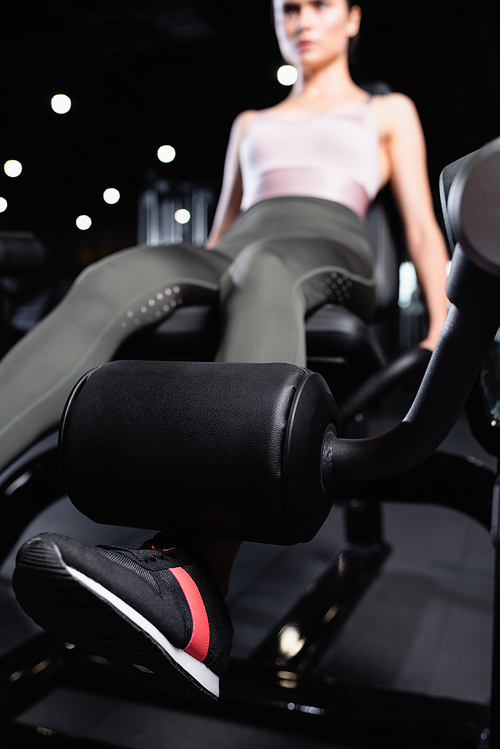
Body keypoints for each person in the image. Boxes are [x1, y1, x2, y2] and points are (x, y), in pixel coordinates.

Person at [10, 0, 450, 702]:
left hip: (327, 246)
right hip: (242, 246)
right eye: (288, 8)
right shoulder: (252, 123)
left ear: (354, 18)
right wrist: (178, 284)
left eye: (320, 6)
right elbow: (222, 232)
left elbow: (423, 227)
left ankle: (194, 587)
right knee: (112, 274)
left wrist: (439, 328)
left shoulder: (386, 111)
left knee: (266, 268)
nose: (303, 20)